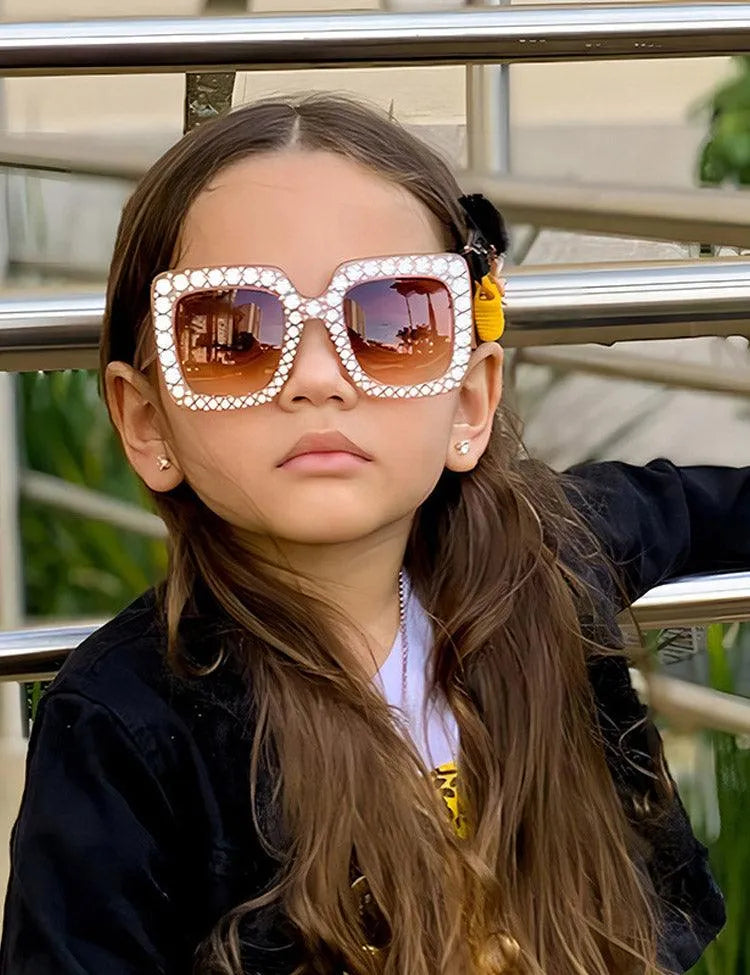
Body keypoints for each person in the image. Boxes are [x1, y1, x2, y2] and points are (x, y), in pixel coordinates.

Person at [2, 93, 749, 975]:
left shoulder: (546, 557)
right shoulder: (123, 729)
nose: (318, 377)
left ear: (469, 402)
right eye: (236, 335)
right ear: (147, 421)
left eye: (392, 321)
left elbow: (709, 508)